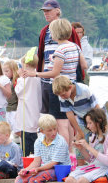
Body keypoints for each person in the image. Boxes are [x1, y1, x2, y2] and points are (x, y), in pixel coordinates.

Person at [26, 18, 87, 146]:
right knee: (68, 121)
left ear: (55, 33)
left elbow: (54, 73)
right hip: (71, 87)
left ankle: (64, 154)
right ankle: (71, 152)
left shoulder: (60, 50)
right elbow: (84, 65)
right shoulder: (75, 46)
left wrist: (35, 73)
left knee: (61, 124)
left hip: (59, 89)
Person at [52, 75, 99, 166]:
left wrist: (97, 125)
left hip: (95, 117)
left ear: (70, 87)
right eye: (60, 95)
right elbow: (69, 114)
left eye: (63, 94)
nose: (62, 97)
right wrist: (79, 131)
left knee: (100, 140)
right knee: (79, 140)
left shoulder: (84, 90)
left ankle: (99, 164)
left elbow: (96, 108)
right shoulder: (62, 96)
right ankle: (80, 166)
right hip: (82, 119)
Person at [15, 50, 42, 156]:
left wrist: (19, 77)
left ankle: (26, 160)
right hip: (36, 111)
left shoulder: (24, 78)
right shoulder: (38, 76)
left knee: (26, 144)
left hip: (25, 114)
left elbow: (18, 91)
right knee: (36, 141)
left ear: (25, 64)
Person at [3, 60, 19, 133]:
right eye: (4, 71)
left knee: (16, 130)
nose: (4, 73)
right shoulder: (7, 81)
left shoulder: (16, 81)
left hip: (14, 109)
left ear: (13, 71)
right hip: (8, 108)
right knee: (9, 128)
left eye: (7, 71)